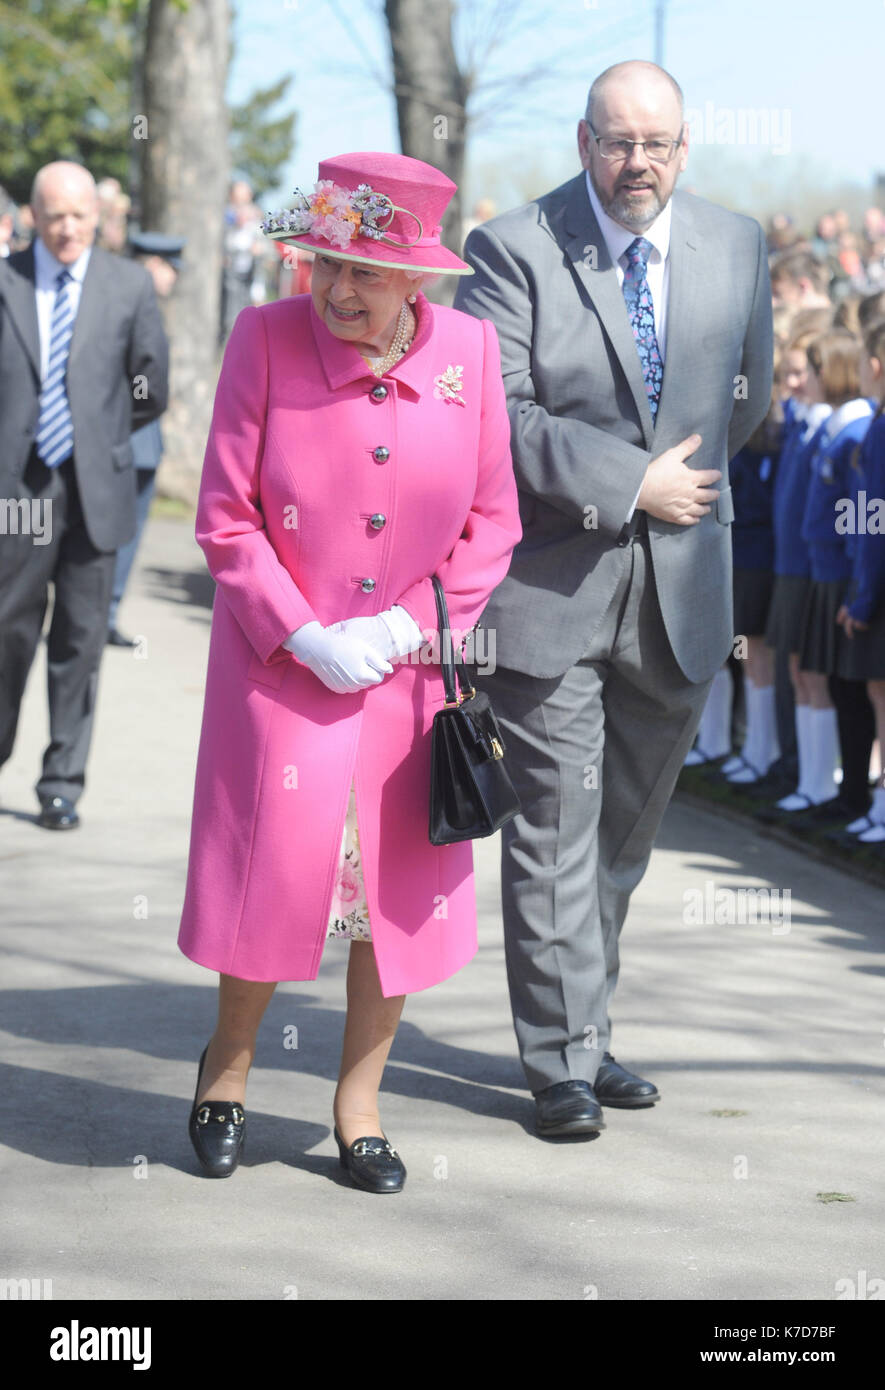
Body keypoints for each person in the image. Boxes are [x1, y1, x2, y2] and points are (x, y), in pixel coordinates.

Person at [177, 152, 521, 1191]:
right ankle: (225, 1076)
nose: (337, 287)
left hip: (408, 684)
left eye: (365, 272)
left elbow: (493, 519)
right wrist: (305, 631)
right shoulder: (264, 340)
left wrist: (414, 625)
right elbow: (225, 516)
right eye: (326, 261)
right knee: (272, 880)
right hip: (282, 671)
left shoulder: (471, 351)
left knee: (389, 902)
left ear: (417, 280)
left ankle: (358, 1105)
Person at [454, 60, 773, 1138]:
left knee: (621, 841)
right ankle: (558, 1066)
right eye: (617, 141)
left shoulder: (736, 245)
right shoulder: (513, 247)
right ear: (583, 140)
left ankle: (585, 1030)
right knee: (552, 826)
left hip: (684, 588)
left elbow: (749, 399)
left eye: (658, 145)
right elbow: (496, 413)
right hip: (550, 586)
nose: (638, 164)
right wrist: (629, 480)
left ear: (687, 147)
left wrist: (677, 496)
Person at [0, 161, 168, 829]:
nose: (67, 229)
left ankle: (62, 783)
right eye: (54, 216)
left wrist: (97, 432)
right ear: (32, 218)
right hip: (20, 490)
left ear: (96, 217)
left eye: (78, 216)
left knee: (81, 639)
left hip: (96, 490)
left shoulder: (127, 285)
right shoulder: (7, 278)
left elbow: (151, 384)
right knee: (8, 631)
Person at [107, 232, 184, 647]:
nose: (174, 279)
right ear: (152, 264)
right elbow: (141, 383)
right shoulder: (129, 304)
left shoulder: (131, 300)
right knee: (120, 534)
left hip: (138, 438)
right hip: (129, 439)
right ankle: (103, 614)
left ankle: (106, 613)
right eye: (170, 269)